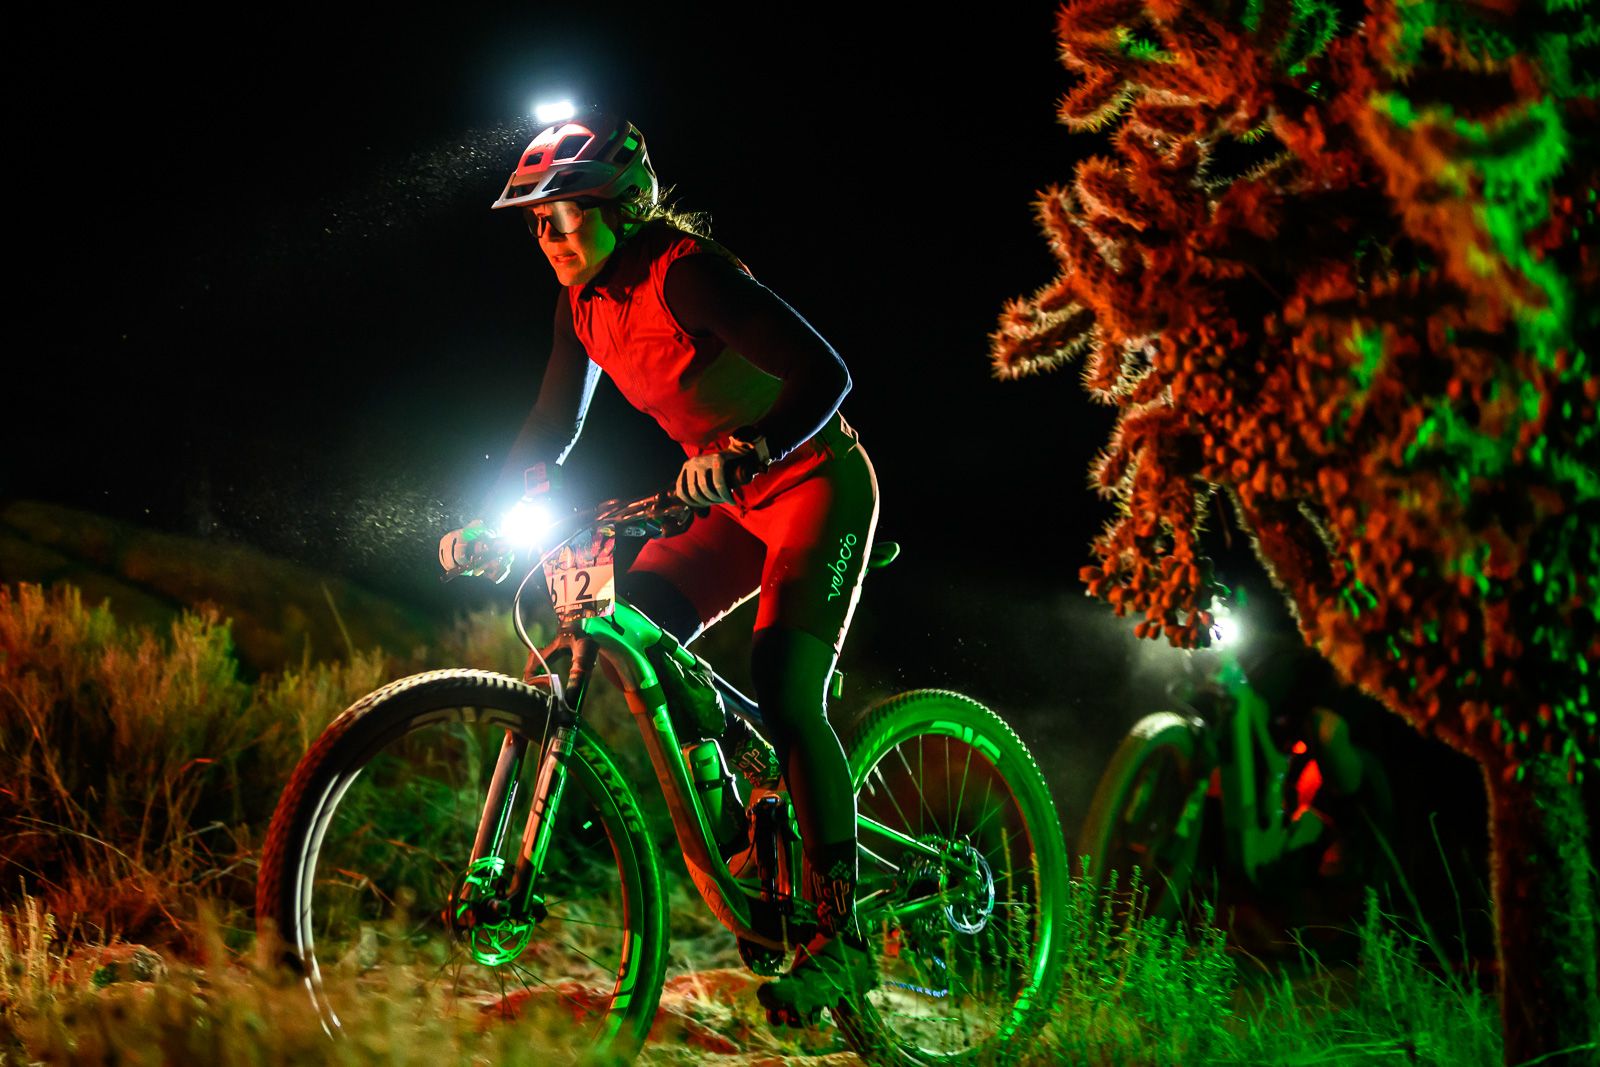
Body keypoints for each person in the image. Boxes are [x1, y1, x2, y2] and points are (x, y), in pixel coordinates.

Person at [439, 109, 879, 1024]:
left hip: (812, 481)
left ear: (619, 205)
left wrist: (751, 443)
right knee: (640, 625)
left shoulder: (688, 275)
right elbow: (554, 424)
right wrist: (502, 508)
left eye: (564, 212)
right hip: (723, 503)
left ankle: (840, 944)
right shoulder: (582, 304)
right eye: (535, 219)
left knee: (787, 688)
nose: (548, 235)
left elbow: (827, 373)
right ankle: (743, 829)